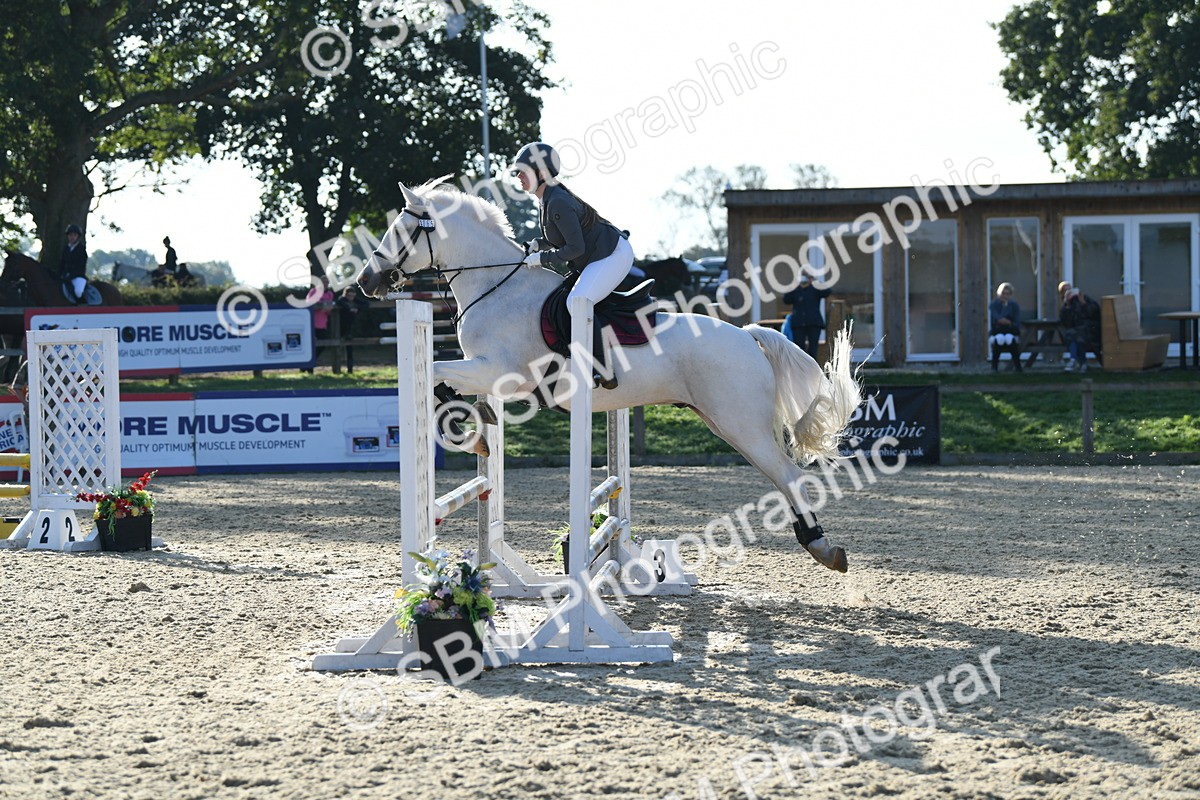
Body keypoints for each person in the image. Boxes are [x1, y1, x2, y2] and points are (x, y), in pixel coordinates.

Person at [513, 141, 632, 389]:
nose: (519, 177)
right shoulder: (546, 198)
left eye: (523, 171)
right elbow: (561, 238)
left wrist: (542, 260)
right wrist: (539, 244)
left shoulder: (557, 201)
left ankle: (603, 369)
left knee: (576, 301)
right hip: (597, 255)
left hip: (613, 254)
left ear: (541, 173)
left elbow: (574, 248)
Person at [781, 273, 831, 360]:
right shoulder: (796, 290)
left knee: (813, 350)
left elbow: (827, 292)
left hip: (813, 323)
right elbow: (786, 300)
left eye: (806, 278)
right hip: (798, 324)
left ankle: (813, 371)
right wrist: (793, 285)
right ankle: (801, 372)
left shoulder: (815, 288)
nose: (804, 281)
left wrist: (815, 281)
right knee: (799, 350)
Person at [1060, 287, 1100, 372]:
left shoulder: (1088, 301)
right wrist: (1066, 304)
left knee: (1078, 336)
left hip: (1090, 331)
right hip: (1077, 331)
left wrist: (1083, 303)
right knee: (1073, 335)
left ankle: (1076, 361)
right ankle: (1078, 361)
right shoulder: (1069, 304)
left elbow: (1094, 313)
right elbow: (1065, 320)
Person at [988, 282, 1022, 372]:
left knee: (1009, 339)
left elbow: (1017, 321)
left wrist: (1008, 322)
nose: (1005, 296)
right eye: (1003, 293)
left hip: (1011, 330)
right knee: (999, 339)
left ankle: (1017, 366)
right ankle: (994, 366)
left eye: (1007, 294)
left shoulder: (1014, 305)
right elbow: (997, 318)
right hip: (997, 330)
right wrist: (1006, 310)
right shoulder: (993, 305)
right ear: (999, 293)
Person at [302, 278, 334, 374]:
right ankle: (309, 368)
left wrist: (328, 309)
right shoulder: (314, 291)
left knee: (322, 344)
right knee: (310, 345)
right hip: (312, 322)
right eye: (323, 282)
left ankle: (309, 363)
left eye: (327, 282)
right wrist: (321, 304)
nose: (325, 284)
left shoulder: (329, 294)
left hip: (322, 323)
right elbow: (308, 303)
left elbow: (329, 308)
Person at [335, 286, 370, 373]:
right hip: (340, 327)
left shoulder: (355, 300)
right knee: (336, 348)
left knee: (349, 348)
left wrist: (357, 309)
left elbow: (366, 303)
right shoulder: (342, 300)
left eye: (353, 296)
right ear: (346, 295)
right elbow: (340, 302)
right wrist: (350, 309)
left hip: (349, 328)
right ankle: (336, 369)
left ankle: (350, 369)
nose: (351, 298)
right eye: (349, 296)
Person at [59, 223, 88, 304]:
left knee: (78, 292)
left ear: (77, 236)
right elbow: (62, 263)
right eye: (70, 235)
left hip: (78, 277)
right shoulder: (66, 249)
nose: (72, 237)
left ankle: (83, 306)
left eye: (74, 235)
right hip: (65, 276)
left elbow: (81, 267)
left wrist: (71, 276)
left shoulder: (81, 250)